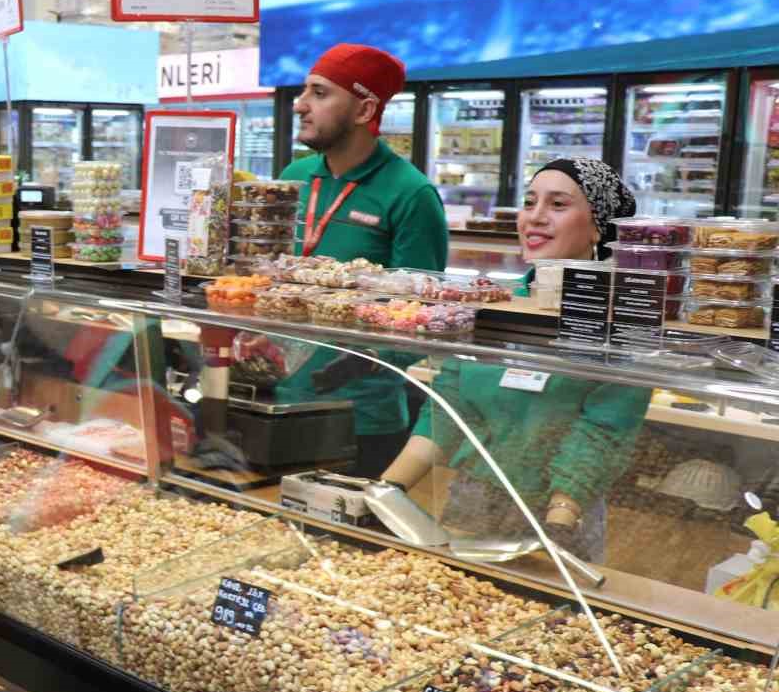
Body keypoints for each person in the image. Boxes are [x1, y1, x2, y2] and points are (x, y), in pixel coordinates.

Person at [378, 158, 645, 562]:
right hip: (470, 501)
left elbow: (603, 431)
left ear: (599, 226)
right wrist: (386, 489)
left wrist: (557, 524)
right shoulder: (496, 305)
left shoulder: (618, 319)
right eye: (529, 202)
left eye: (558, 205)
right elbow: (448, 408)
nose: (535, 218)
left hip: (561, 516)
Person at [273, 43, 451, 477]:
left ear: (363, 108)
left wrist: (364, 358)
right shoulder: (293, 178)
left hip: (361, 417)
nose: (300, 105)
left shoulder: (411, 194)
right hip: (277, 399)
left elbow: (420, 311)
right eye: (303, 91)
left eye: (319, 93)